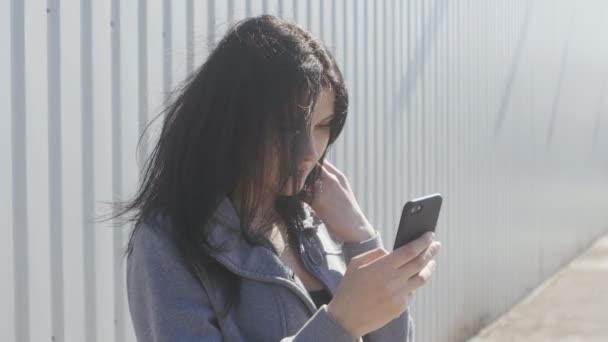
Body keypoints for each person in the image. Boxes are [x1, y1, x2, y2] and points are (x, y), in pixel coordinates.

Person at [112, 14, 441, 341]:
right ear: (232, 121)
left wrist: (361, 239)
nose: (311, 151)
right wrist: (340, 324)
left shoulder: (312, 221)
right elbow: (345, 325)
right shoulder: (166, 241)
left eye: (323, 125)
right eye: (290, 128)